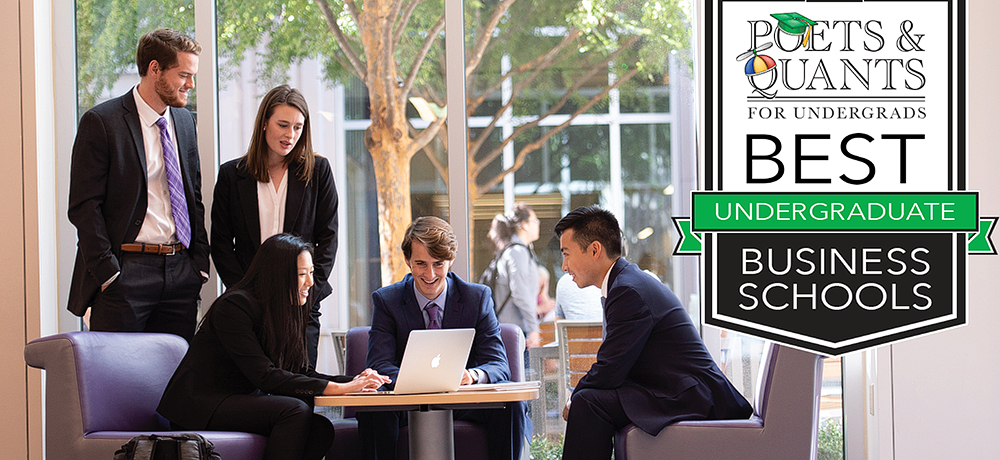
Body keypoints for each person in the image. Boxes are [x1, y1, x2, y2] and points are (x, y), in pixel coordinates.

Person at [157, 234, 389, 460]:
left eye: (311, 273)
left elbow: (301, 372)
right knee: (293, 410)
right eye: (301, 274)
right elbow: (265, 376)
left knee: (320, 428)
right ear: (278, 275)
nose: (310, 282)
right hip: (200, 404)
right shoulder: (234, 306)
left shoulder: (288, 310)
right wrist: (340, 388)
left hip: (236, 399)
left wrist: (353, 382)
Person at [555, 206, 753, 460]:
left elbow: (610, 369)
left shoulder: (628, 290)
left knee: (588, 402)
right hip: (672, 389)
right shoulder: (624, 282)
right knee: (590, 399)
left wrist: (574, 398)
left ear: (594, 250)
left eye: (567, 254)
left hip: (692, 396)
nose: (564, 265)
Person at [67, 28, 210, 342]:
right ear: (155, 69)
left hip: (180, 272)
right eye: (184, 74)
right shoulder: (102, 122)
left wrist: (199, 263)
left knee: (174, 382)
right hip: (125, 273)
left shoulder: (185, 122)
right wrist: (108, 273)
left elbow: (192, 195)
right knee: (119, 380)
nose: (191, 85)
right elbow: (83, 206)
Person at [358, 216, 530, 460]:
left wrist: (471, 375)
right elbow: (380, 365)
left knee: (511, 404)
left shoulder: (477, 298)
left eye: (438, 263)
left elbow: (498, 365)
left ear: (451, 260)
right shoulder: (387, 300)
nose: (430, 274)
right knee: (373, 409)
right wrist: (420, 379)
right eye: (420, 263)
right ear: (407, 260)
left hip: (463, 401)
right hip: (406, 403)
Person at [211, 84, 338, 367]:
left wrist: (310, 290)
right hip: (250, 303)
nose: (289, 135)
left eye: (297, 127)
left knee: (301, 389)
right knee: (252, 389)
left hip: (301, 304)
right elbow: (220, 243)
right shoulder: (232, 175)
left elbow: (328, 238)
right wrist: (243, 292)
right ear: (264, 122)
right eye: (282, 125)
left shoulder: (318, 171)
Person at [487, 203, 542, 348]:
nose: (538, 225)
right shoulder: (517, 252)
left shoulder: (517, 251)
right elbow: (520, 293)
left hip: (513, 329)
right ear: (524, 225)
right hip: (514, 332)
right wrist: (533, 328)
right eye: (535, 221)